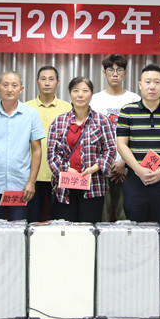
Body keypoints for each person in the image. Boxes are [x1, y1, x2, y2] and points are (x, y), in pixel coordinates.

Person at [116, 64, 160, 223]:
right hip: (135, 179)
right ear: (140, 85)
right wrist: (138, 169)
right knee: (135, 227)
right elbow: (121, 145)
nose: (152, 86)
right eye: (147, 82)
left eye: (156, 82)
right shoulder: (127, 111)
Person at [0, 71, 44, 221]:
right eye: (5, 85)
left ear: (21, 89)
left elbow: (37, 150)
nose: (10, 89)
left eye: (14, 85)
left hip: (21, 185)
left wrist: (31, 182)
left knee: (18, 229)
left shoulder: (31, 114)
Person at [47, 77, 116, 223]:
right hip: (65, 186)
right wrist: (66, 169)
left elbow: (110, 149)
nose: (80, 95)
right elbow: (52, 154)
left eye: (85, 91)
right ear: (70, 94)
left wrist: (95, 167)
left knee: (88, 229)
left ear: (91, 94)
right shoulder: (59, 122)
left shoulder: (102, 121)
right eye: (75, 91)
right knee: (66, 230)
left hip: (94, 185)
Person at [90, 54, 140, 222]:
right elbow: (91, 137)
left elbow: (138, 136)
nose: (115, 74)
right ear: (104, 73)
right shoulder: (95, 100)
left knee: (126, 219)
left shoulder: (135, 100)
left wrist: (125, 163)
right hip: (101, 170)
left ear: (125, 73)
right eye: (111, 70)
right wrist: (105, 164)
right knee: (100, 219)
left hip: (129, 170)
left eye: (119, 70)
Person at [26, 65, 72, 222]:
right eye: (43, 79)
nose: (47, 83)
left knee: (59, 222)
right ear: (37, 82)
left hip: (59, 174)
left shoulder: (68, 108)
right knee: (32, 221)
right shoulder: (26, 108)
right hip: (32, 175)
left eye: (51, 79)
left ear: (58, 82)